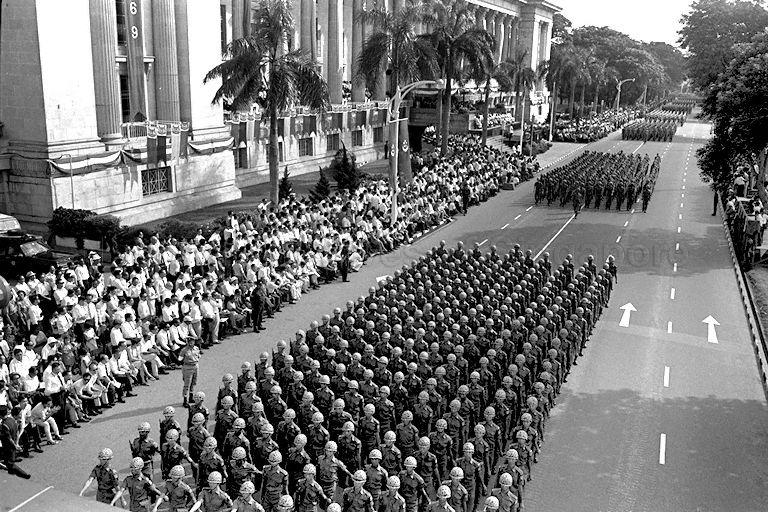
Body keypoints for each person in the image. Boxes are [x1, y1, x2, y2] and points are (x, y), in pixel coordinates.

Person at [0, 405, 30, 479]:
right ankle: (11, 471)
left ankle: (24, 475)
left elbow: (9, 438)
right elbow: (17, 432)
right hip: (13, 443)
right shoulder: (12, 420)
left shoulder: (4, 425)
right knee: (9, 459)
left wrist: (15, 446)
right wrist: (17, 443)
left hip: (8, 446)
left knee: (10, 463)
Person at [179, 336, 201, 407]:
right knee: (187, 384)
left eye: (192, 341)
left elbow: (198, 356)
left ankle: (191, 397)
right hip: (188, 367)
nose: (191, 343)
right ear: (187, 342)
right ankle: (185, 400)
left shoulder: (196, 348)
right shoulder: (184, 350)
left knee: (194, 382)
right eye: (190, 341)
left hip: (195, 366)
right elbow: (179, 359)